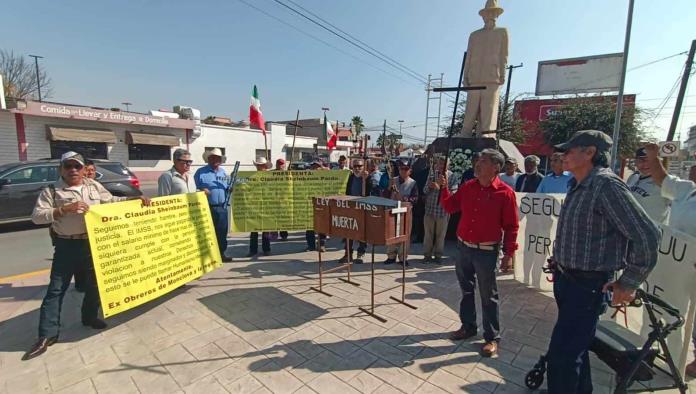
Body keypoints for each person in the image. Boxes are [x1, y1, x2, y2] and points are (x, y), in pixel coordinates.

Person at [546, 130, 659, 393]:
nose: (564, 155)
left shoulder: (606, 186)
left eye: (571, 150)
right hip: (567, 281)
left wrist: (628, 282)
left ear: (590, 153)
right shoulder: (577, 183)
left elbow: (647, 235)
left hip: (588, 286)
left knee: (561, 356)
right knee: (575, 349)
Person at [23, 152, 151, 361]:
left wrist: (133, 199)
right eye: (68, 166)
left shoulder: (92, 186)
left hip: (94, 242)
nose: (73, 170)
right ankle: (47, 335)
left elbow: (110, 201)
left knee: (95, 284)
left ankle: (89, 317)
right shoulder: (52, 190)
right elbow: (37, 217)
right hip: (67, 244)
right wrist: (63, 209)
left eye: (77, 166)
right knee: (56, 289)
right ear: (61, 169)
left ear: (84, 169)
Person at [438, 148, 518, 357]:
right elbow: (449, 206)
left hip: (486, 252)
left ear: (496, 167)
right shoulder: (468, 187)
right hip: (464, 248)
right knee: (466, 290)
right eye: (478, 159)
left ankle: (491, 338)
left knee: (487, 296)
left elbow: (511, 226)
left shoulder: (505, 193)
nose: (477, 164)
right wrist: (444, 188)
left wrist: (509, 254)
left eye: (483, 161)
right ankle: (468, 327)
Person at [642, 143, 696, 377]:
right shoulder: (686, 190)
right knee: (672, 307)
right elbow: (661, 179)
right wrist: (654, 157)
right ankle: (665, 351)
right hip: (676, 264)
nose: (694, 167)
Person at [459, 0, 508, 137]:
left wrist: (502, 74)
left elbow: (504, 55)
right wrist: (465, 77)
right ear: (483, 16)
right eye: (487, 13)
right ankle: (465, 132)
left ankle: (486, 133)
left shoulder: (502, 32)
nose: (490, 16)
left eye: (493, 13)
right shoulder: (475, 35)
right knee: (471, 109)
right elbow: (468, 57)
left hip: (492, 77)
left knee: (489, 108)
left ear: (497, 15)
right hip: (474, 77)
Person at [194, 148, 232, 262]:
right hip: (207, 207)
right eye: (214, 157)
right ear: (209, 159)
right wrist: (201, 189)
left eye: (218, 158)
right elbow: (195, 187)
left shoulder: (223, 173)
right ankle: (207, 257)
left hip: (222, 207)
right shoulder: (200, 172)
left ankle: (221, 254)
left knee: (222, 233)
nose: (216, 160)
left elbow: (227, 187)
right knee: (207, 233)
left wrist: (230, 189)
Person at [384, 159, 419, 265]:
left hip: (405, 212)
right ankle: (391, 256)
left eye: (406, 169)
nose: (403, 171)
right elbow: (385, 196)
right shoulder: (392, 180)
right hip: (392, 210)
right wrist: (389, 188)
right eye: (401, 169)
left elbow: (415, 199)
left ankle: (403, 257)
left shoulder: (413, 183)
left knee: (405, 234)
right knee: (391, 233)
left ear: (410, 171)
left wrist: (404, 198)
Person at [422, 157, 457, 264]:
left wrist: (442, 187)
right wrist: (430, 186)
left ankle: (438, 256)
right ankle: (427, 255)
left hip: (443, 211)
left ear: (448, 165)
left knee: (440, 235)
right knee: (428, 234)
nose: (441, 166)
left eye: (443, 164)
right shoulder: (432, 175)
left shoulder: (452, 176)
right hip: (430, 209)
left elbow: (454, 192)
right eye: (439, 163)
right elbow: (424, 190)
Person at [625, 147, 670, 223]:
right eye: (641, 160)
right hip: (631, 228)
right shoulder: (633, 177)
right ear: (635, 162)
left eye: (649, 160)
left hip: (654, 231)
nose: (645, 164)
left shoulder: (665, 182)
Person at [339, 159, 371, 264]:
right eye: (355, 166)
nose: (357, 168)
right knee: (348, 231)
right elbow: (347, 190)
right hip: (351, 207)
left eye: (359, 166)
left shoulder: (367, 178)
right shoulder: (351, 177)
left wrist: (367, 180)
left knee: (362, 232)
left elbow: (371, 191)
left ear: (363, 167)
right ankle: (348, 254)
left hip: (363, 208)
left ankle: (360, 254)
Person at [248, 157, 273, 257]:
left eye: (262, 165)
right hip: (255, 205)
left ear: (265, 166)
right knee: (253, 230)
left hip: (267, 206)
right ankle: (253, 250)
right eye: (258, 165)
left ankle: (266, 249)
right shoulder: (251, 177)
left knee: (266, 230)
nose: (260, 167)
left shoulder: (271, 177)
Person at [306, 159, 327, 252]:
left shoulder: (325, 175)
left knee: (322, 226)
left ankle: (321, 244)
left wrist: (325, 170)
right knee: (309, 226)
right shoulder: (307, 176)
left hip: (321, 204)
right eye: (314, 166)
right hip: (309, 204)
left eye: (317, 166)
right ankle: (311, 245)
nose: (315, 168)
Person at [273, 158, 288, 241]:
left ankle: (284, 235)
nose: (280, 166)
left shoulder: (287, 174)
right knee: (273, 218)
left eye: (282, 164)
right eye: (279, 164)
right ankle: (274, 235)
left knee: (283, 218)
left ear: (284, 165)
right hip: (273, 199)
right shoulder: (271, 173)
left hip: (284, 199)